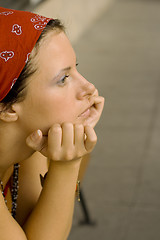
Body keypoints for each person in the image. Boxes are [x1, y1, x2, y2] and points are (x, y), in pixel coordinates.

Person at [0, 6, 104, 240]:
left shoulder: (29, 141)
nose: (89, 88)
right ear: (6, 107)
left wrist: (70, 159)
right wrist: (67, 166)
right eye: (63, 79)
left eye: (75, 69)